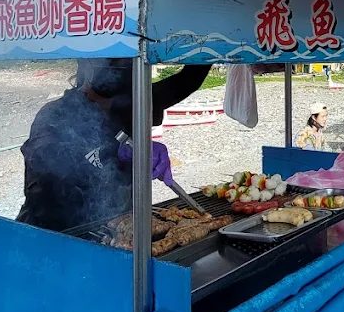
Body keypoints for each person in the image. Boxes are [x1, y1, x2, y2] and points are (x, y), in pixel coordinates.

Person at [17, 61, 210, 232]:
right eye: (102, 97)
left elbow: (186, 82)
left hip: (119, 229)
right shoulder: (54, 116)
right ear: (87, 78)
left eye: (120, 97)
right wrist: (113, 150)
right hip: (54, 232)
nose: (109, 106)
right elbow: (46, 175)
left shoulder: (130, 104)